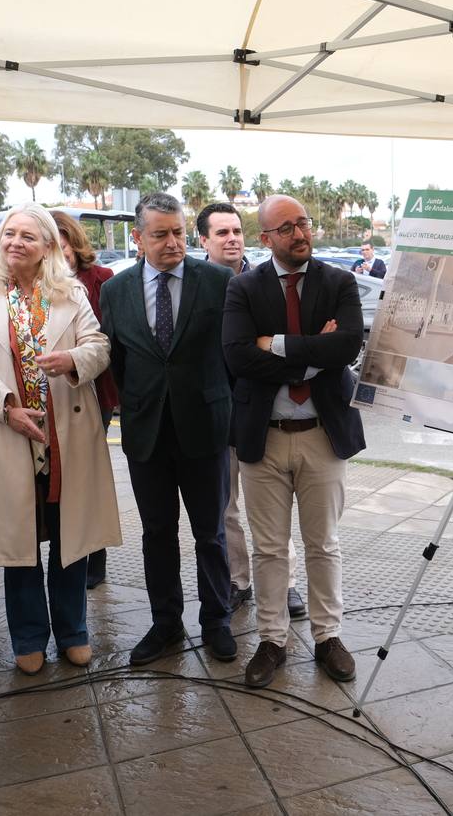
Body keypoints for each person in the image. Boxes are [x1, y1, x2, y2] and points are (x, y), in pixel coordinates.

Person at [0, 204, 120, 675]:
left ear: (48, 245)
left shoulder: (70, 293)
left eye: (28, 236)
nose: (15, 243)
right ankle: (28, 638)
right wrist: (7, 406)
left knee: (71, 538)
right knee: (17, 542)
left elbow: (99, 346)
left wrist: (73, 361)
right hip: (7, 432)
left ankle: (73, 633)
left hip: (66, 434)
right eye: (9, 235)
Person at [222, 195, 366, 689]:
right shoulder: (243, 288)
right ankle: (272, 641)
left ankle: (328, 636)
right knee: (268, 549)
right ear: (265, 239)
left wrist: (277, 344)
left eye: (303, 222)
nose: (300, 233)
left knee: (323, 543)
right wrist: (313, 354)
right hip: (264, 437)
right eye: (286, 228)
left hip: (322, 436)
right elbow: (239, 358)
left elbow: (347, 346)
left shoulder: (339, 282)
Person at [100, 192, 237, 664]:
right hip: (146, 433)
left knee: (210, 534)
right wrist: (141, 404)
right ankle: (166, 625)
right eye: (160, 234)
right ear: (137, 238)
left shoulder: (218, 281)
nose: (173, 242)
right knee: (157, 533)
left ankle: (217, 621)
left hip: (205, 429)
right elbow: (117, 362)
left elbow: (232, 356)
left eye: (178, 232)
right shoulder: (115, 291)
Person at [197, 201, 305, 619]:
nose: (232, 239)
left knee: (273, 509)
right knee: (226, 509)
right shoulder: (196, 286)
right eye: (221, 232)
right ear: (203, 240)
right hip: (215, 418)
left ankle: (287, 584)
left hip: (263, 410)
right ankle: (237, 581)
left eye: (237, 231)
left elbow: (282, 343)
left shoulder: (267, 282)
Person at [51, 210, 119, 590]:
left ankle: (96, 557)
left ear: (74, 245)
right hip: (50, 392)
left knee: (88, 475)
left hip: (95, 390)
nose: (58, 257)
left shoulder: (101, 279)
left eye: (63, 247)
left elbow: (109, 337)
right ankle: (69, 551)